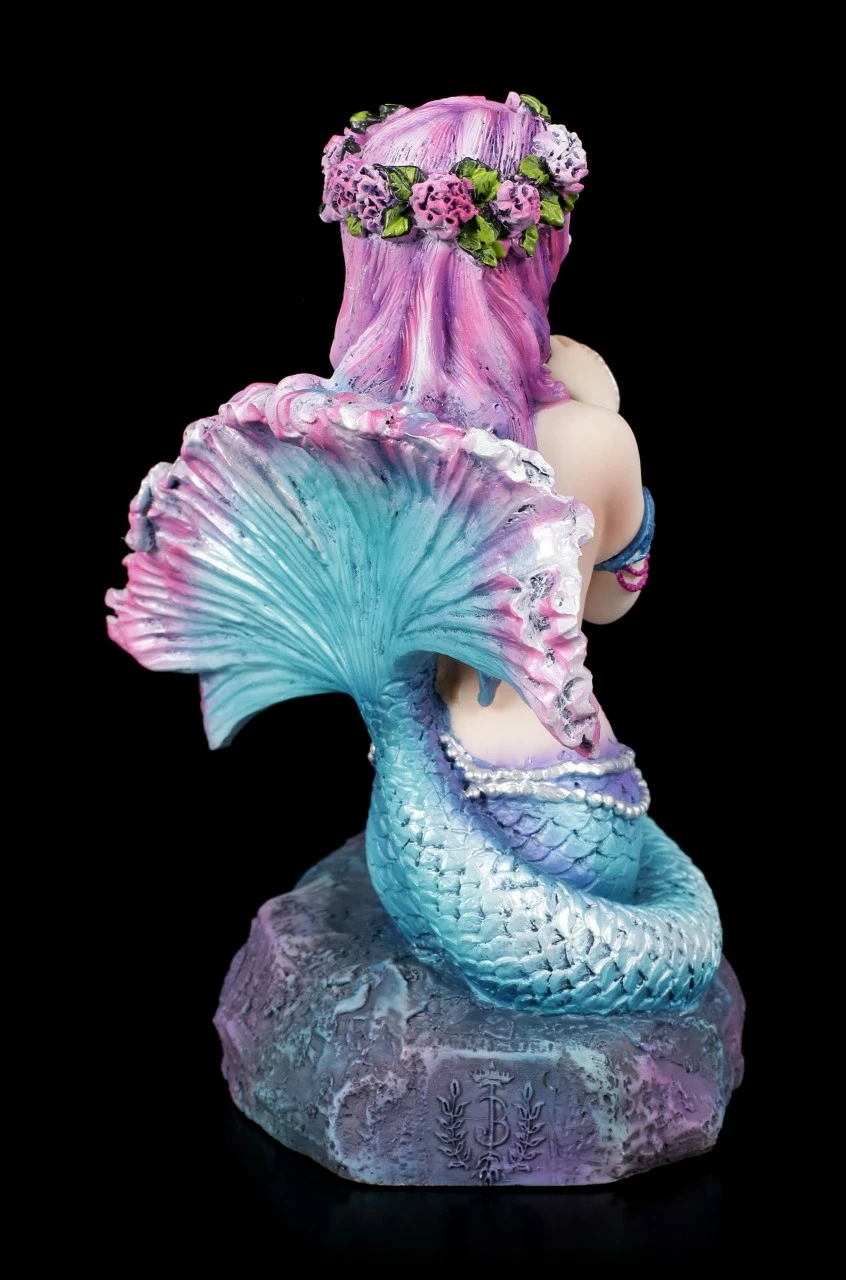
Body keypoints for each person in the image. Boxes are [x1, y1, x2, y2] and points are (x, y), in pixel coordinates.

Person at [108, 93, 720, 1015]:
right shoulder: (586, 436)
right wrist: (608, 426)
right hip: (563, 823)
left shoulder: (341, 432)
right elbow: (609, 602)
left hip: (409, 805)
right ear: (538, 247)